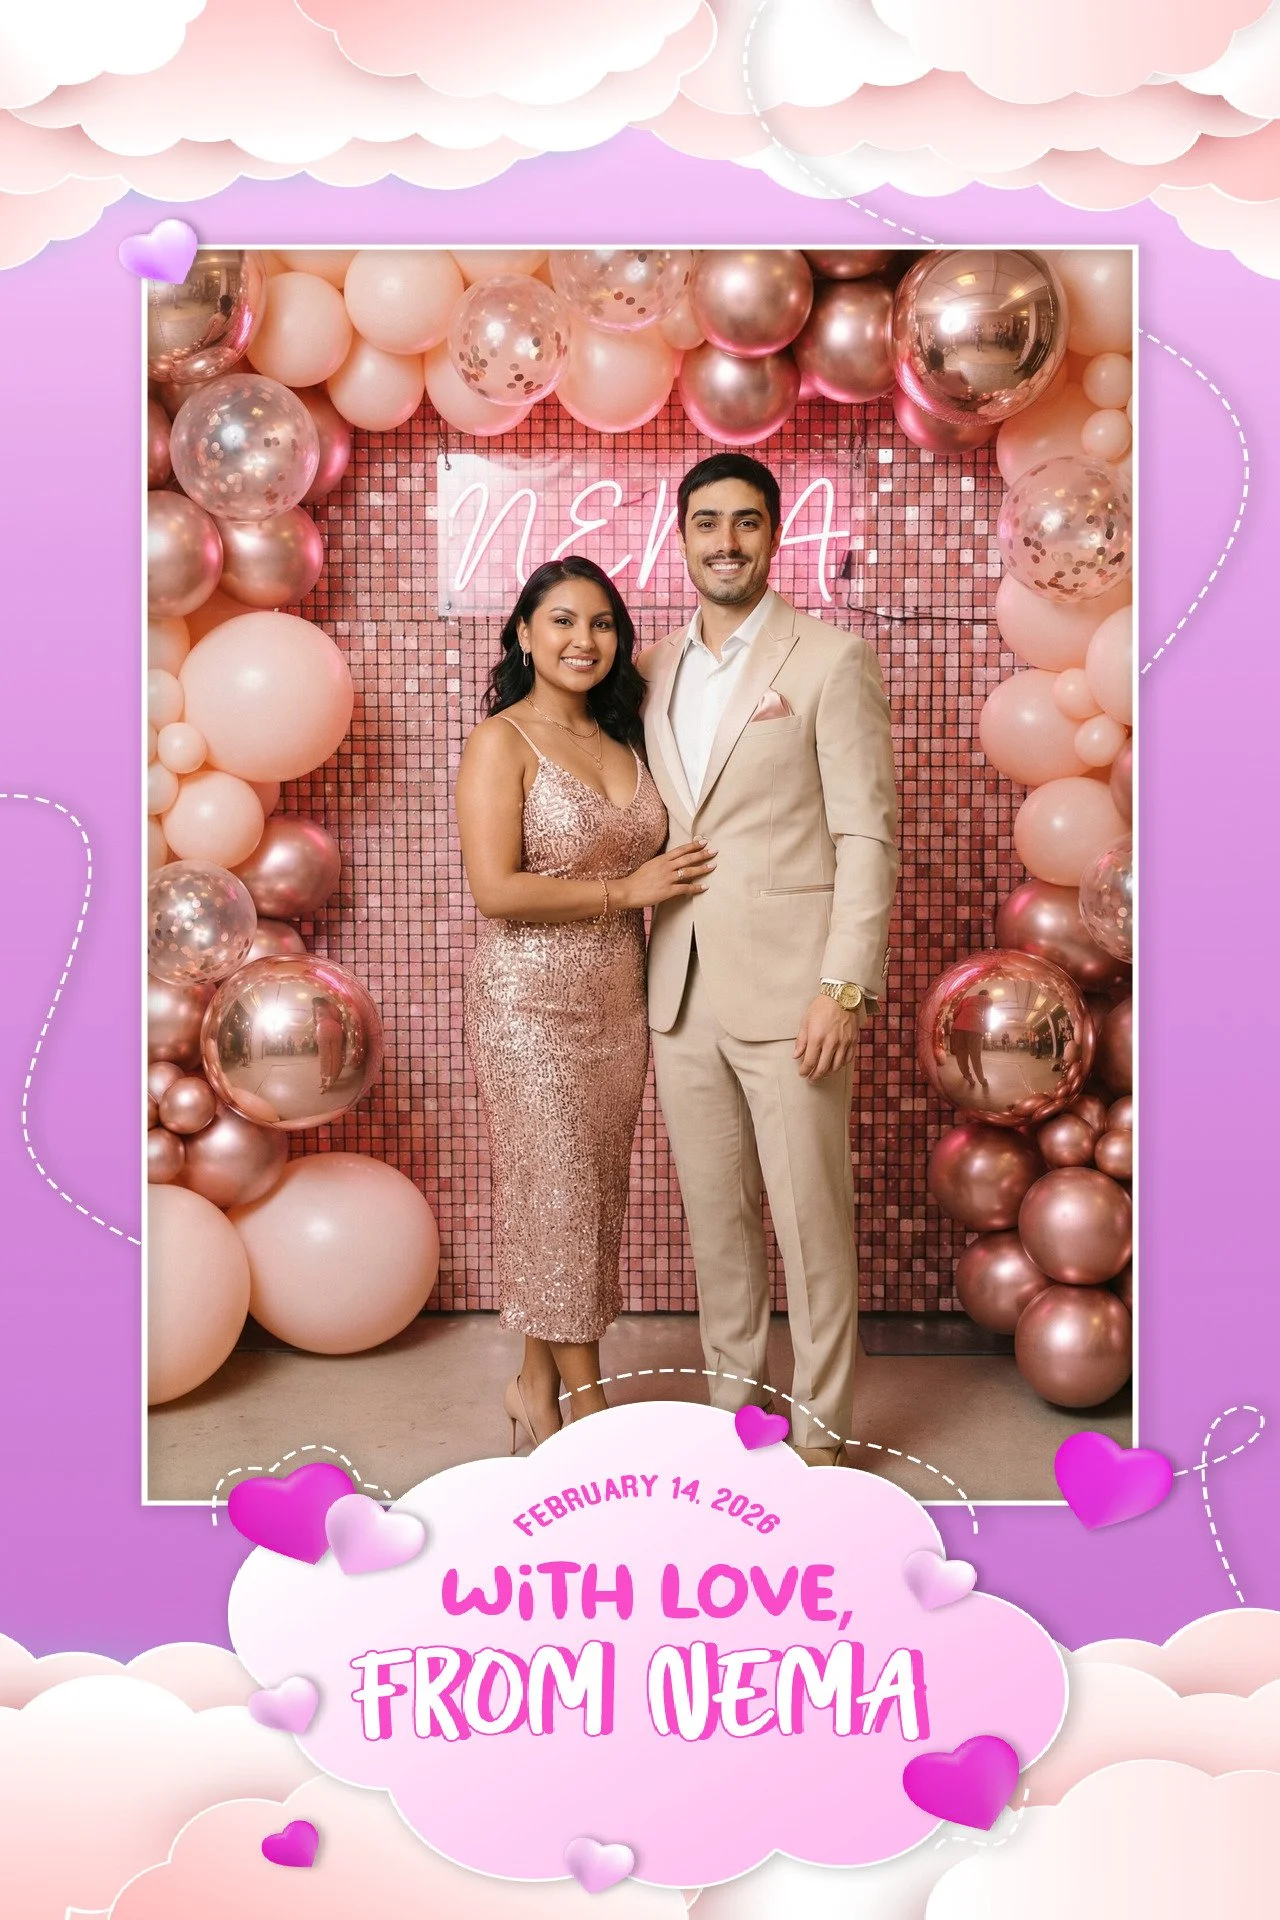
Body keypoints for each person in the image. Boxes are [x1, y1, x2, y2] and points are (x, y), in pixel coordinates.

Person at [640, 453, 898, 1466]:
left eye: (745, 523)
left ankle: (823, 1445)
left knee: (809, 1228)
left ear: (774, 534)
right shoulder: (650, 666)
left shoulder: (828, 661)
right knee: (719, 1232)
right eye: (706, 523)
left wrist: (844, 986)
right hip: (680, 988)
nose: (725, 542)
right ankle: (734, 1439)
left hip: (796, 991)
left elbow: (864, 836)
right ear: (682, 535)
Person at [456, 556, 715, 1452]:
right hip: (528, 1004)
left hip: (617, 1005)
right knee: (558, 1187)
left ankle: (533, 1386)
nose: (584, 640)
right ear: (525, 634)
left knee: (577, 1196)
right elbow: (496, 890)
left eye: (602, 623)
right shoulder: (502, 741)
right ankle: (589, 1411)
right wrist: (627, 892)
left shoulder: (630, 738)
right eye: (562, 620)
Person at [950, 989, 992, 1092]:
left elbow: (955, 1013)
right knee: (975, 1056)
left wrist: (959, 1022)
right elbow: (987, 1016)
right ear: (986, 995)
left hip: (959, 1028)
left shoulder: (966, 999)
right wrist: (986, 1029)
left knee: (961, 1055)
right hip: (975, 1029)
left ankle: (968, 1077)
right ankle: (981, 1080)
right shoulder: (987, 1000)